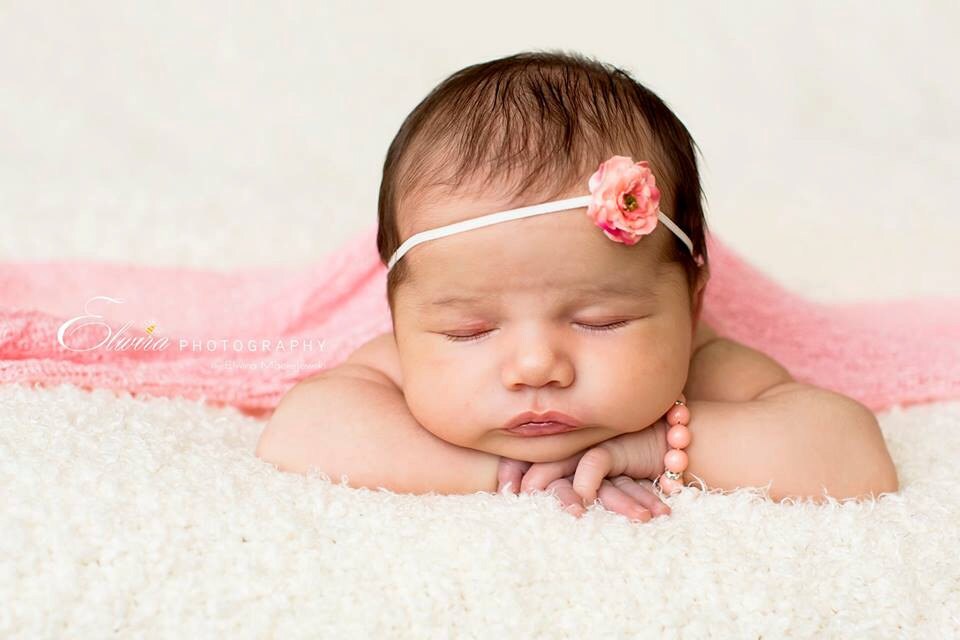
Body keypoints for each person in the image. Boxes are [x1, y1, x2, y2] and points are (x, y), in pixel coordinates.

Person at [256, 50, 898, 522]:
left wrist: (657, 446)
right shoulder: (402, 362)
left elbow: (851, 454)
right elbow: (302, 430)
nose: (536, 367)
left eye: (600, 321)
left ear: (693, 297)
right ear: (399, 312)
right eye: (470, 330)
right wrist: (508, 473)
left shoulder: (706, 366)